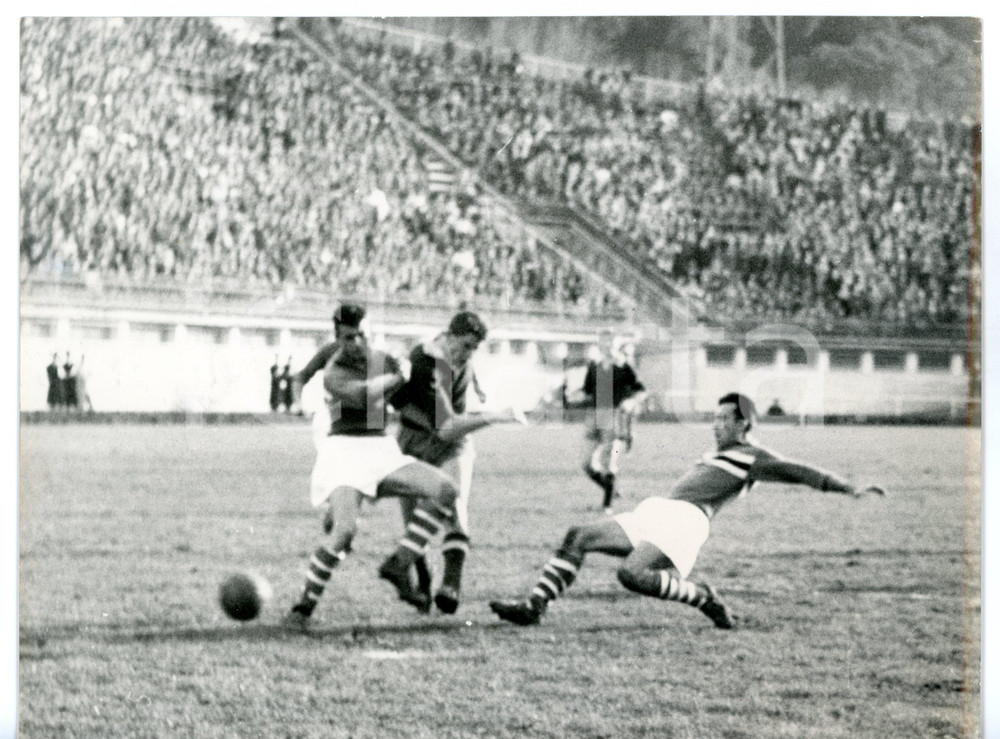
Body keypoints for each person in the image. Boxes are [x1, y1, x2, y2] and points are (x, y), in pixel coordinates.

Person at [489, 392, 887, 629]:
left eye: (722, 419)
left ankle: (703, 597)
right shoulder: (721, 453)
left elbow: (799, 471)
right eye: (713, 418)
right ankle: (534, 608)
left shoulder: (753, 457)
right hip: (660, 510)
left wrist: (847, 488)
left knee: (631, 574)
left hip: (687, 521)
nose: (715, 425)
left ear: (743, 423)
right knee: (578, 535)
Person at [281, 303, 463, 630]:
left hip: (381, 448)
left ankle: (401, 563)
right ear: (339, 337)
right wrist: (397, 375)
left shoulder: (384, 358)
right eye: (350, 337)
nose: (357, 342)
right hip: (343, 451)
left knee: (446, 489)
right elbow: (362, 396)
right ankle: (303, 606)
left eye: (363, 334)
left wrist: (428, 362)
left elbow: (412, 393)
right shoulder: (334, 369)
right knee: (345, 531)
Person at [385, 311, 527, 614]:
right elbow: (446, 426)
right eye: (464, 346)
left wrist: (476, 385)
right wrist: (494, 416)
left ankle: (450, 585)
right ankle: (422, 585)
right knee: (414, 524)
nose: (467, 353)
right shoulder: (426, 364)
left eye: (473, 348)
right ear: (447, 337)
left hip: (453, 444)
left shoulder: (455, 356)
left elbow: (451, 431)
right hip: (417, 440)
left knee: (454, 508)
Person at [567, 330, 646, 513]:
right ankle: (612, 489)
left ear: (615, 344)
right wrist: (574, 394)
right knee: (586, 463)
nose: (605, 346)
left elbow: (640, 391)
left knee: (608, 461)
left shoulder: (624, 366)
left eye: (609, 342)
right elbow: (587, 391)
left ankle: (607, 505)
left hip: (614, 416)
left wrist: (630, 401)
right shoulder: (594, 366)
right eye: (602, 342)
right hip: (594, 416)